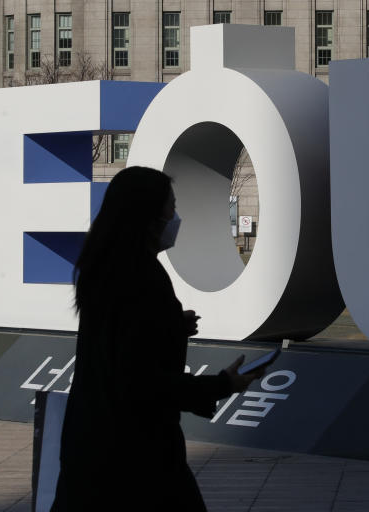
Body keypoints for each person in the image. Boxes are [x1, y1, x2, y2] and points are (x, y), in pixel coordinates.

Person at [51, 166, 265, 511]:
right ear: (148, 215)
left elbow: (120, 342)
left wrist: (171, 327)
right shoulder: (141, 276)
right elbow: (141, 381)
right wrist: (222, 384)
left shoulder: (103, 268)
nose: (175, 216)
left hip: (92, 443)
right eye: (171, 206)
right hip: (134, 457)